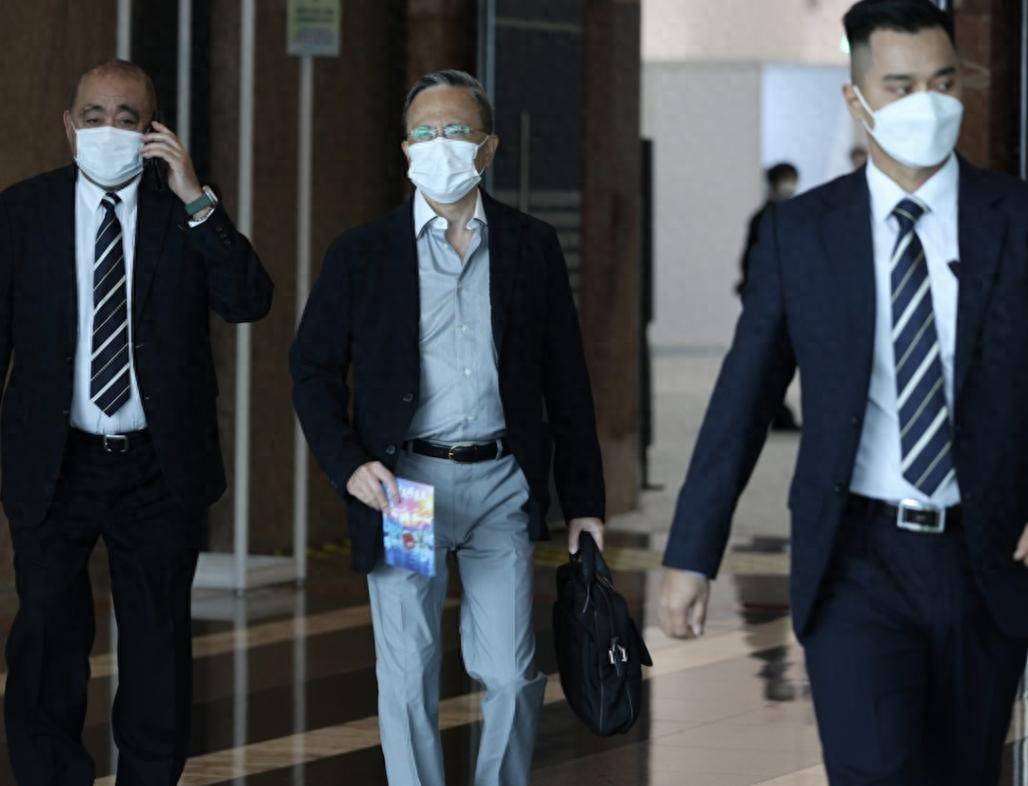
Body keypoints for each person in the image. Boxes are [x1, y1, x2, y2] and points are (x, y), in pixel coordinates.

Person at [658, 2, 1028, 784]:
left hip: (985, 556)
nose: (927, 103)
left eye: (943, 82)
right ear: (856, 100)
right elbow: (744, 397)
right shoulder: (803, 234)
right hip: (856, 559)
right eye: (900, 85)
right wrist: (692, 553)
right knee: (872, 771)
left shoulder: (1016, 220)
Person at [291, 69, 605, 786]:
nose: (441, 144)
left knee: (512, 672)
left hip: (500, 484)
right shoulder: (363, 254)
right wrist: (348, 463)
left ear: (488, 147)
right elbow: (311, 369)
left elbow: (567, 381)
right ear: (406, 149)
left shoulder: (530, 246)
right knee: (408, 671)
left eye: (457, 130)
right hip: (406, 488)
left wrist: (585, 500)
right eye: (425, 132)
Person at [0, 59, 273, 784]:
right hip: (55, 460)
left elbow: (249, 300)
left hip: (157, 466)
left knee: (156, 646)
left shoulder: (182, 213)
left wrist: (195, 195)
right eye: (93, 116)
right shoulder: (23, 212)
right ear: (69, 126)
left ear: (153, 132)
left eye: (128, 118)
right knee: (45, 639)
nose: (108, 130)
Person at [737, 162, 801, 431]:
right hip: (770, 299)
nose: (790, 185)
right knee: (769, 359)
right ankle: (771, 412)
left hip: (790, 298)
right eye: (786, 179)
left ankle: (773, 411)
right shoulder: (765, 218)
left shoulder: (797, 215)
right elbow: (751, 259)